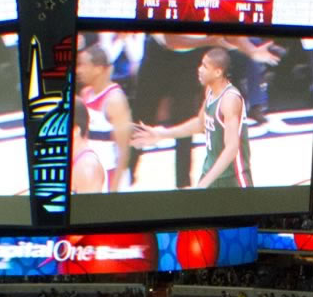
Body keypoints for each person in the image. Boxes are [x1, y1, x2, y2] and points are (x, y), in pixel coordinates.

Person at [134, 47, 255, 190]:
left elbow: (232, 148)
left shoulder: (229, 100)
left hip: (233, 178)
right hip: (212, 173)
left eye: (205, 66)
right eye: (200, 64)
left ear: (217, 72)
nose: (199, 69)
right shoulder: (210, 91)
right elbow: (199, 124)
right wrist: (161, 134)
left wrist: (204, 183)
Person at [74, 44, 136, 192]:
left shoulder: (115, 100)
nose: (78, 70)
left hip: (111, 175)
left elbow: (124, 151)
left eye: (83, 65)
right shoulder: (85, 93)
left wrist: (113, 191)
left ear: (98, 69)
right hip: (90, 168)